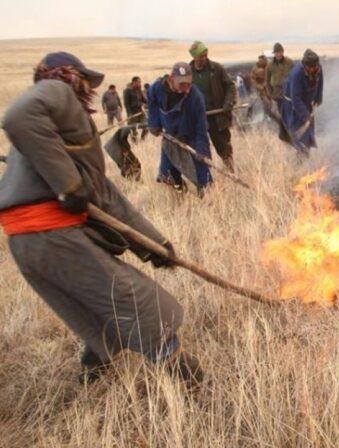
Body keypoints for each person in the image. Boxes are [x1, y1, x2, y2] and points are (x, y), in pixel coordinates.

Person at [0, 51, 202, 387]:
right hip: (52, 235)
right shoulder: (57, 91)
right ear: (69, 76)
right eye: (83, 81)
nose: (86, 89)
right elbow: (17, 116)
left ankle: (91, 377)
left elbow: (105, 196)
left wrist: (155, 245)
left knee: (95, 308)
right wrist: (68, 185)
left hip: (30, 243)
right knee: (139, 303)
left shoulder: (57, 130)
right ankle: (193, 384)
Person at [147, 62, 213, 197]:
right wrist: (154, 123)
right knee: (168, 175)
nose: (187, 89)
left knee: (203, 177)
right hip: (170, 137)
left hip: (191, 137)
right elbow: (151, 101)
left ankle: (207, 198)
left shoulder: (196, 97)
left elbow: (201, 126)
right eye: (182, 84)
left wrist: (201, 149)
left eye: (189, 84)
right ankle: (181, 193)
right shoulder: (157, 88)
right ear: (171, 79)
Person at [188, 41, 236, 172]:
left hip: (217, 117)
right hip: (198, 119)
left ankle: (231, 171)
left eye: (205, 55)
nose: (204, 58)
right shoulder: (188, 72)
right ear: (194, 57)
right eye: (201, 56)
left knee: (224, 148)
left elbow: (230, 86)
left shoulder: (216, 68)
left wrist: (228, 103)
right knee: (200, 150)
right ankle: (205, 177)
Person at [279, 49, 323, 153]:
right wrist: (305, 116)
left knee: (308, 131)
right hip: (292, 106)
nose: (313, 69)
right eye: (310, 67)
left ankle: (305, 151)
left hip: (306, 102)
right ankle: (300, 156)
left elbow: (320, 81)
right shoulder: (297, 74)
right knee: (298, 133)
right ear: (305, 66)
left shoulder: (318, 68)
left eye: (314, 66)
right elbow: (296, 100)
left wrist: (318, 96)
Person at [123, 76, 148, 141]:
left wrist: (151, 103)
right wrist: (129, 114)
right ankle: (135, 143)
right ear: (134, 82)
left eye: (140, 82)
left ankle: (142, 140)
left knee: (146, 126)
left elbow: (144, 100)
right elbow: (126, 103)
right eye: (138, 82)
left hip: (140, 111)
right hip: (132, 113)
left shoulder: (139, 90)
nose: (140, 83)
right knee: (133, 129)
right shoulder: (127, 90)